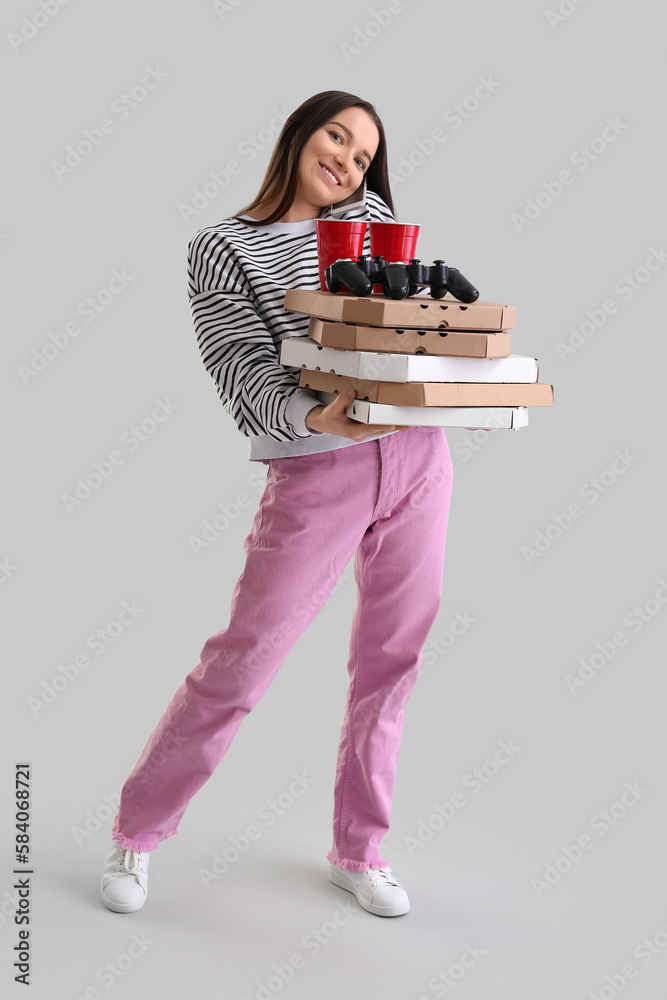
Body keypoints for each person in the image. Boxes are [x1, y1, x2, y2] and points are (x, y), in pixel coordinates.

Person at [100, 90, 454, 919]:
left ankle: (359, 850)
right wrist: (314, 414)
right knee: (244, 659)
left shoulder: (377, 229)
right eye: (337, 135)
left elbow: (412, 326)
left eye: (364, 155)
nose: (346, 159)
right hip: (317, 470)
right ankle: (137, 831)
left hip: (416, 456)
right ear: (300, 132)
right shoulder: (225, 247)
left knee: (391, 659)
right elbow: (235, 361)